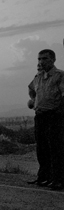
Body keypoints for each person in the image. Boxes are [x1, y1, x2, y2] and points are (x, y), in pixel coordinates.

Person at [27, 49, 64, 190]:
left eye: (44, 58)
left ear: (53, 60)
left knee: (56, 148)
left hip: (54, 116)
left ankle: (59, 179)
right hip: (40, 116)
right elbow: (31, 89)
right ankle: (44, 177)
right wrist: (34, 100)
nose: (41, 62)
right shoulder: (38, 77)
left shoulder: (59, 76)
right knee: (41, 148)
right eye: (39, 59)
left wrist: (60, 111)